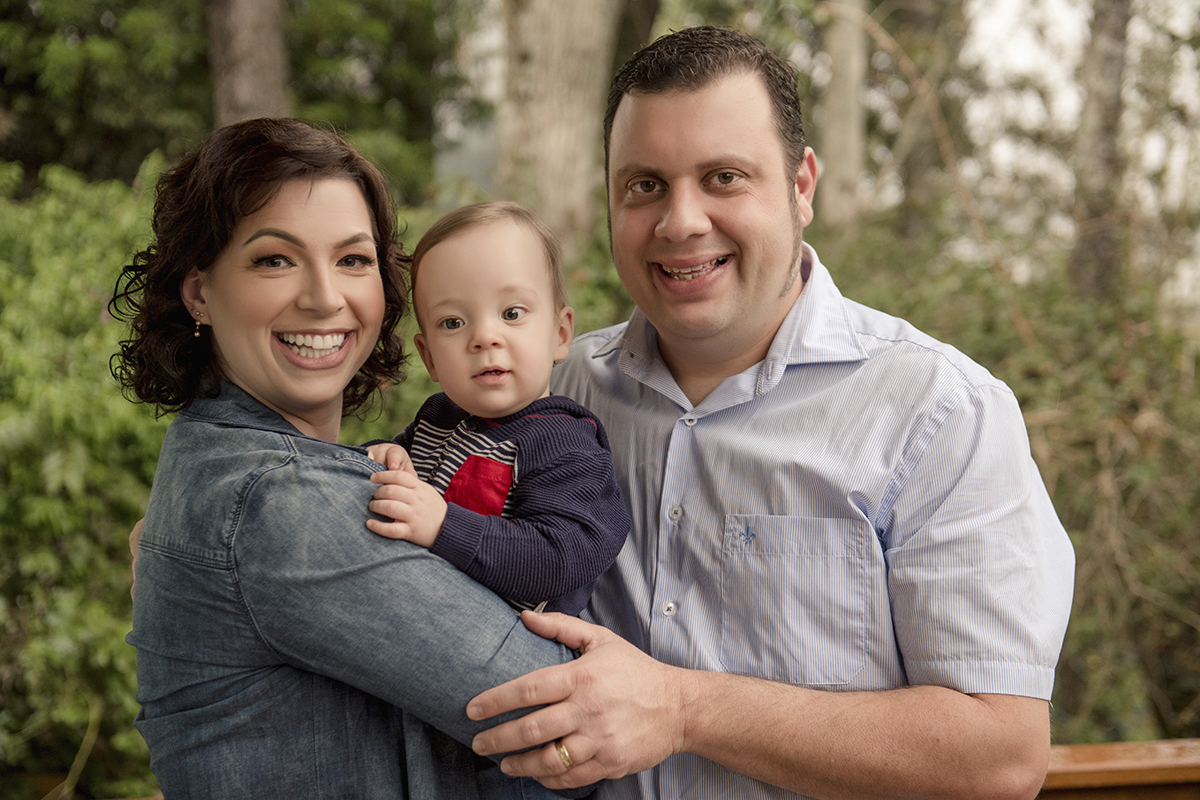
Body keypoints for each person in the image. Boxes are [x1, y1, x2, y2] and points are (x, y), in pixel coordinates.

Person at [464, 26, 1076, 800]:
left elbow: (1000, 757)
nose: (680, 221)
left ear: (802, 186)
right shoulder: (561, 390)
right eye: (644, 185)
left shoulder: (942, 414)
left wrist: (684, 709)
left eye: (723, 177)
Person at [110, 118, 601, 799]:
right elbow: (569, 720)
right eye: (274, 259)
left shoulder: (222, 456)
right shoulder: (277, 498)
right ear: (199, 292)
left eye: (353, 259)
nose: (324, 297)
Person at [364, 202, 629, 614]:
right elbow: (394, 486)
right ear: (430, 357)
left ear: (560, 335)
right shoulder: (438, 419)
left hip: (516, 651)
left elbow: (560, 557)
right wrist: (385, 453)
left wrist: (444, 525)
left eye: (512, 313)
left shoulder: (566, 446)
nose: (485, 336)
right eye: (453, 322)